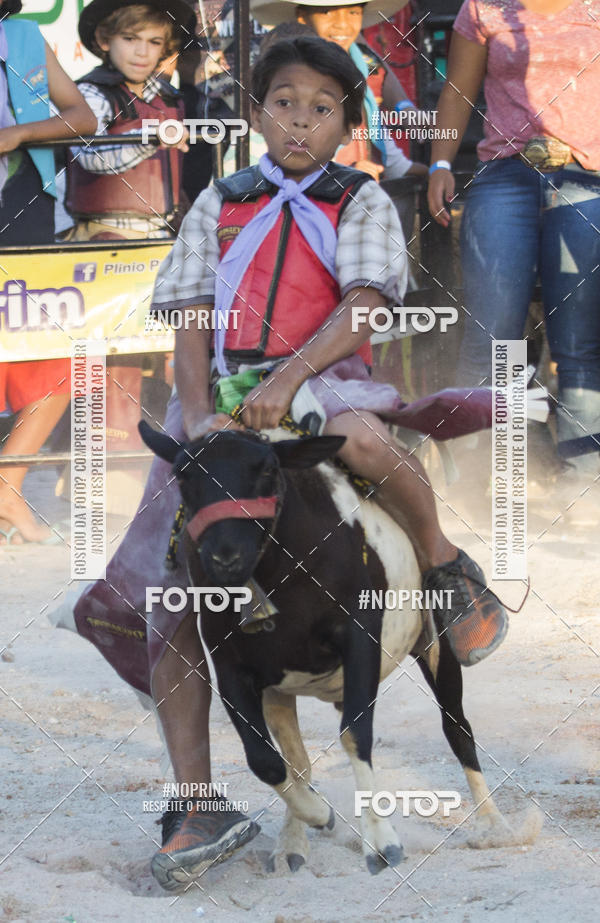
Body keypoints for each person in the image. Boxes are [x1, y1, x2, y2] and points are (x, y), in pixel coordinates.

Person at [68, 35, 508, 890]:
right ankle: (196, 801)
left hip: (326, 379)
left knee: (364, 442)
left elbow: (366, 305)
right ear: (256, 112)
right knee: (173, 597)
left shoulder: (362, 199)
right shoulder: (218, 200)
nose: (301, 120)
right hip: (226, 401)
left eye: (322, 108)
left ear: (348, 123)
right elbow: (190, 313)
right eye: (284, 103)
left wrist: (288, 378)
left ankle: (447, 565)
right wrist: (197, 412)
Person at [427, 0, 600, 480]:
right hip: (507, 172)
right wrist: (440, 163)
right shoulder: (483, 8)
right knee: (491, 333)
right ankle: (468, 476)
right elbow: (458, 89)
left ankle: (584, 480)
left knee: (578, 339)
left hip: (588, 174)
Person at [0, 0, 96, 544]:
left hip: (26, 209)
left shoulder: (24, 37)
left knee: (54, 351)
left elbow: (82, 118)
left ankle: (8, 486)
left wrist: (19, 135)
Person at [251, 0, 428, 182]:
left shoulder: (363, 68)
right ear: (302, 17)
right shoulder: (276, 86)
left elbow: (394, 162)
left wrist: (437, 170)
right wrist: (343, 176)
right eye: (327, 12)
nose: (342, 24)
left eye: (353, 13)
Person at [66, 0, 197, 240]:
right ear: (104, 40)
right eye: (130, 39)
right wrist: (151, 138)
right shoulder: (90, 93)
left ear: (165, 48)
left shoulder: (168, 97)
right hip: (103, 232)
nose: (142, 52)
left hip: (161, 232)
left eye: (154, 42)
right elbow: (90, 156)